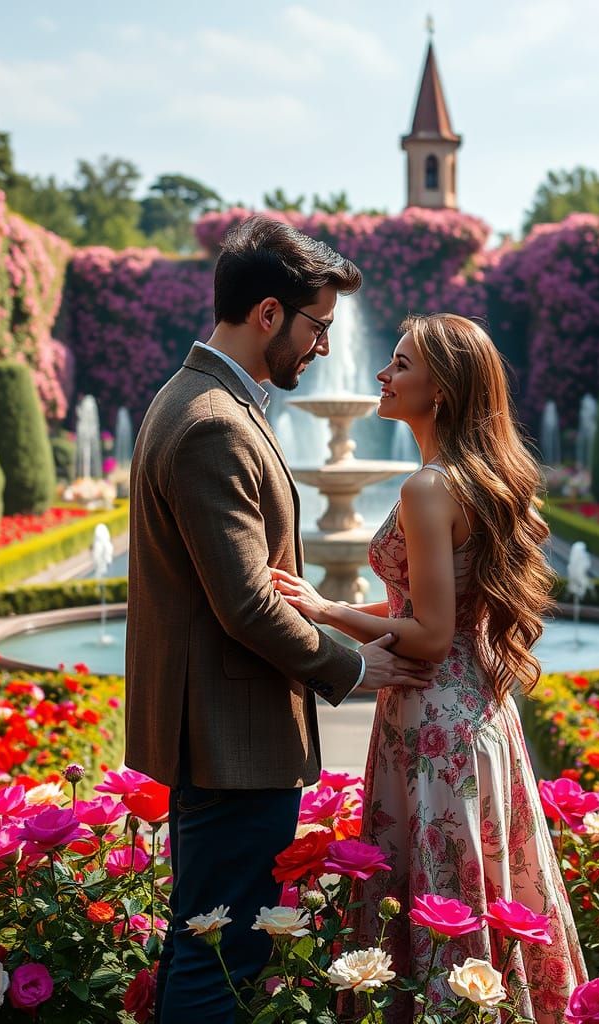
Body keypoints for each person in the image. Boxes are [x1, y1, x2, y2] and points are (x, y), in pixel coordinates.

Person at [123, 216, 436, 1024]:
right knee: (219, 959)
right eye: (317, 327)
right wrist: (355, 664)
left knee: (210, 944)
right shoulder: (212, 424)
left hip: (226, 737)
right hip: (233, 743)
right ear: (268, 314)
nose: (325, 347)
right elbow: (246, 603)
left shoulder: (204, 400)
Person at [271, 313, 587, 1022]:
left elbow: (431, 633)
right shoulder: (477, 479)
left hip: (432, 722)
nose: (382, 375)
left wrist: (327, 611)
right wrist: (350, 609)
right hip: (478, 719)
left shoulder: (428, 488)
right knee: (481, 891)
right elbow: (439, 611)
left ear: (439, 390)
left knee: (441, 896)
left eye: (401, 364)